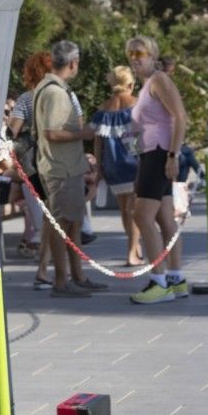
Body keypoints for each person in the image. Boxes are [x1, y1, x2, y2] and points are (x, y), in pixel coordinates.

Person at [30, 40, 107, 297]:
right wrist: (84, 133)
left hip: (65, 167)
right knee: (61, 223)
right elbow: (52, 132)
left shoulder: (48, 87)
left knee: (72, 222)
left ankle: (77, 276)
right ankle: (62, 281)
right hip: (60, 168)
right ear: (73, 63)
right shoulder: (55, 93)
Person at [126, 35, 189, 304]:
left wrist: (173, 155)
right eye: (130, 54)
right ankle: (175, 278)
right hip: (151, 153)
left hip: (160, 153)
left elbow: (180, 116)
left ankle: (158, 281)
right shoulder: (147, 85)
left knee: (141, 215)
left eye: (139, 53)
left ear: (152, 55)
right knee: (164, 218)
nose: (134, 58)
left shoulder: (159, 80)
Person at [5, 51, 54, 277]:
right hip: (57, 164)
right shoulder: (62, 95)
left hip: (32, 167)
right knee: (58, 219)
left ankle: (44, 269)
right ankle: (53, 269)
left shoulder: (25, 99)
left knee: (44, 220)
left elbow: (13, 130)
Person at [92, 66, 142, 267]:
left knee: (124, 209)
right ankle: (132, 252)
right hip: (134, 162)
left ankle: (134, 247)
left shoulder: (103, 109)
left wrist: (99, 167)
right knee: (135, 210)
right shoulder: (137, 105)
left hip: (112, 164)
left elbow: (98, 141)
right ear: (130, 84)